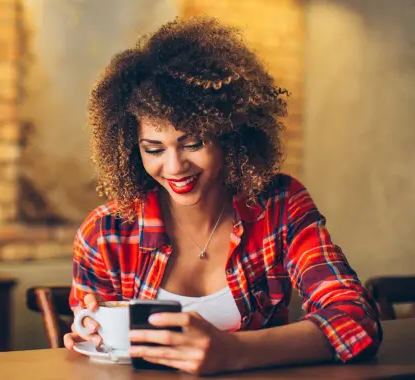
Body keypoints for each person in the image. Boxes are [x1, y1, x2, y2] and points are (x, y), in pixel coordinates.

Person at [63, 16, 381, 375]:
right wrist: (89, 332)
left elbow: (357, 321)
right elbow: (93, 350)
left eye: (193, 143)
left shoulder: (279, 206)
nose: (175, 166)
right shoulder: (105, 232)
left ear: (230, 135)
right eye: (154, 149)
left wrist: (233, 352)